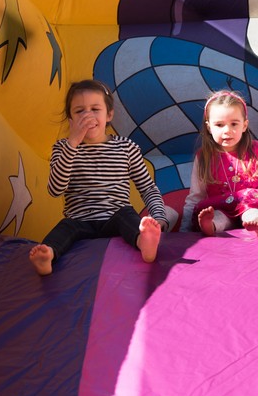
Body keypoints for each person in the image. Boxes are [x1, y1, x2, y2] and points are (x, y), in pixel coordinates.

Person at [29, 80, 169, 276]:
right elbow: (55, 190)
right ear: (70, 119)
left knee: (127, 215)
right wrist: (73, 143)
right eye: (79, 111)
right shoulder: (63, 148)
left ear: (108, 114)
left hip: (115, 217)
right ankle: (48, 255)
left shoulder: (125, 147)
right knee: (64, 228)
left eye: (95, 109)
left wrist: (159, 216)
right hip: (79, 220)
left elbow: (147, 187)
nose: (88, 116)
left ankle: (143, 242)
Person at [182, 90, 258, 238]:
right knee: (217, 216)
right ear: (209, 127)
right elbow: (195, 197)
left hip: (251, 205)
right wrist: (184, 231)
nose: (227, 130)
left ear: (244, 125)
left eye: (234, 124)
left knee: (254, 213)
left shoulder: (256, 151)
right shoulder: (204, 157)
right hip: (221, 208)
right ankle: (211, 226)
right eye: (219, 125)